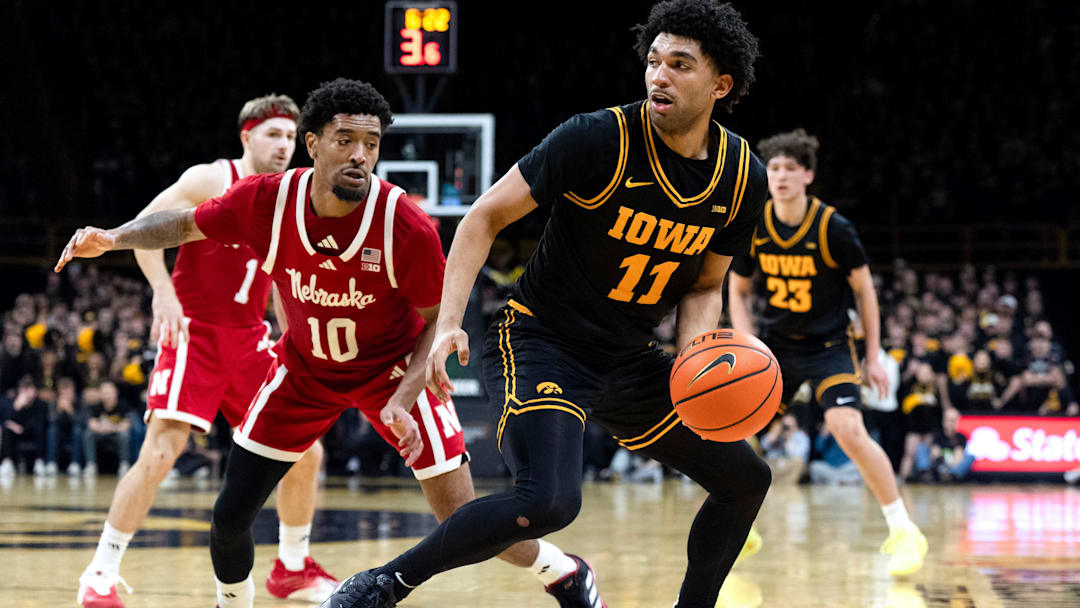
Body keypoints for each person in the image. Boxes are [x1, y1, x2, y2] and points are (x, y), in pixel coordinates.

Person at [55, 77, 596, 608]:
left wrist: (404, 398)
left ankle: (563, 570)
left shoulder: (402, 223)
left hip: (391, 372)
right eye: (345, 141)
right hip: (305, 370)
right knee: (228, 518)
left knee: (462, 521)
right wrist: (115, 238)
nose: (360, 155)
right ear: (312, 145)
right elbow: (185, 224)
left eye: (372, 144)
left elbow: (434, 319)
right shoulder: (265, 200)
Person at [325, 2, 772, 605]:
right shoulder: (597, 138)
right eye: (653, 61)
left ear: (721, 84)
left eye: (680, 65)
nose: (658, 75)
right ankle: (384, 583)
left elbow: (703, 284)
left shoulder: (743, 176)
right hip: (542, 342)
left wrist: (695, 361)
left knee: (745, 479)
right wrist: (450, 321)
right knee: (549, 501)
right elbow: (483, 216)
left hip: (630, 356)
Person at [65, 94, 344, 607]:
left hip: (249, 338)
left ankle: (292, 566)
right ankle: (100, 574)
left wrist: (298, 340)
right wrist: (162, 294)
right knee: (162, 450)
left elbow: (283, 280)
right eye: (274, 135)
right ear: (247, 137)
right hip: (196, 333)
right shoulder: (209, 179)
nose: (285, 146)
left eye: (290, 137)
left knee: (306, 450)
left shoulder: (286, 197)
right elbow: (140, 229)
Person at [728, 128, 928, 576]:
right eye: (773, 168)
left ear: (807, 176)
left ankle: (903, 530)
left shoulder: (832, 227)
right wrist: (747, 342)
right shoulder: (755, 224)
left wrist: (874, 355)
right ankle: (739, 523)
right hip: (776, 346)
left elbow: (866, 291)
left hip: (830, 345)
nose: (779, 176)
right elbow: (737, 290)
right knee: (736, 427)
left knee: (846, 428)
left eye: (789, 169)